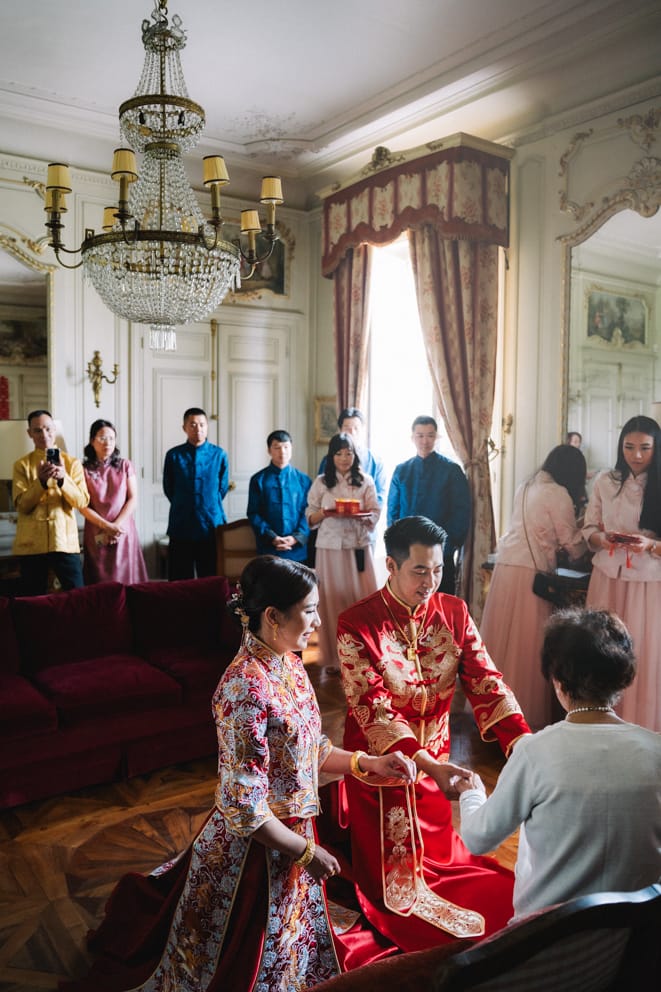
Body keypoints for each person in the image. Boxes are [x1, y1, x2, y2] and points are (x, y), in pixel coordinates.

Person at [59, 556, 416, 991]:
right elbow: (244, 808)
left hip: (292, 837)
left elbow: (309, 751)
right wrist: (306, 852)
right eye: (309, 610)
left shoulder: (289, 663)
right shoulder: (244, 686)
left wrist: (368, 763)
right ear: (272, 616)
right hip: (255, 853)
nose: (318, 621)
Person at [334, 515, 531, 953]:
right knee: (397, 891)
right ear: (391, 565)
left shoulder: (454, 612)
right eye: (419, 570)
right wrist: (429, 765)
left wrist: (523, 743)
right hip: (381, 771)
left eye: (438, 569)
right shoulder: (356, 623)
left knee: (452, 867)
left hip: (436, 772)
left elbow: (486, 682)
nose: (431, 581)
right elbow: (374, 710)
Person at [457, 608, 661, 921]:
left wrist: (472, 794)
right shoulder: (656, 750)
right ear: (623, 677)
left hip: (546, 943)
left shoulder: (534, 753)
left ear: (557, 679)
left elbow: (478, 838)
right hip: (637, 944)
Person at [479, 444, 588, 729]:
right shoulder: (558, 493)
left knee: (503, 643)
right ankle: (522, 714)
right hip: (531, 572)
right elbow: (571, 543)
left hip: (506, 566)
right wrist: (588, 538)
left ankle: (495, 712)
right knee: (527, 644)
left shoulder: (525, 486)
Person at [582, 414, 661, 731]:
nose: (637, 455)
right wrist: (603, 538)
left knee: (640, 651)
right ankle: (599, 724)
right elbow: (588, 528)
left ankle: (641, 724)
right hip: (607, 577)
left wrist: (651, 545)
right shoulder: (605, 481)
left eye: (645, 448)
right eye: (629, 447)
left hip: (648, 582)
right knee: (601, 648)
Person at [306, 432, 380, 668]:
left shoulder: (365, 480)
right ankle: (335, 659)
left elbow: (375, 514)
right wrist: (327, 512)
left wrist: (362, 516)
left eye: (348, 453)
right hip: (329, 548)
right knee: (331, 600)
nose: (344, 458)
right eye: (339, 453)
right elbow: (310, 518)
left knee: (360, 599)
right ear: (332, 456)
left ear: (355, 455)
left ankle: (363, 656)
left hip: (357, 546)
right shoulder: (321, 481)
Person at [387, 415, 470, 594]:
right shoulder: (401, 470)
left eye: (430, 435)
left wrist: (445, 547)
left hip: (440, 554)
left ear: (437, 437)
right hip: (407, 553)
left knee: (441, 605)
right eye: (420, 435)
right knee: (406, 604)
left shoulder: (451, 470)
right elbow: (393, 513)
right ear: (412, 438)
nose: (425, 441)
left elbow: (461, 513)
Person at [11, 409, 89, 596]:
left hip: (63, 541)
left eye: (48, 429)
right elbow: (22, 505)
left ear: (54, 430)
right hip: (31, 543)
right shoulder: (22, 465)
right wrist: (41, 483)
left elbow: (82, 501)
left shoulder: (72, 463)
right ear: (29, 433)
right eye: (37, 430)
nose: (44, 435)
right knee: (31, 599)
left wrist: (63, 479)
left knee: (77, 595)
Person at [162, 406, 229, 580]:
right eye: (192, 424)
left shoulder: (219, 454)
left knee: (210, 576)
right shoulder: (174, 455)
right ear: (184, 428)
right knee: (179, 577)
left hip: (210, 523)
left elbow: (222, 488)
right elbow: (169, 488)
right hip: (181, 523)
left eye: (201, 424)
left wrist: (206, 504)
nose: (197, 429)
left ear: (207, 426)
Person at [80, 419, 148, 584]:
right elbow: (82, 506)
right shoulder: (83, 469)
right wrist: (106, 526)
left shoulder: (125, 465)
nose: (107, 443)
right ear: (92, 440)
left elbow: (133, 498)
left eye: (111, 438)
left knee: (126, 579)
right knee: (98, 580)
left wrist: (115, 525)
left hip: (122, 529)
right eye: (102, 438)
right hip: (97, 530)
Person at [247, 429, 312, 561]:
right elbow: (254, 513)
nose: (282, 452)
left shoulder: (303, 480)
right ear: (269, 450)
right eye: (277, 447)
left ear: (291, 449)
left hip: (297, 548)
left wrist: (295, 538)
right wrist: (272, 537)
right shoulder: (258, 479)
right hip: (269, 547)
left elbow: (309, 511)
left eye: (286, 447)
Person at [318, 407, 387, 507]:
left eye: (356, 428)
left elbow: (380, 497)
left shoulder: (376, 461)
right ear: (340, 430)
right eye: (347, 428)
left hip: (364, 518)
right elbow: (320, 490)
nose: (352, 432)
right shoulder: (328, 459)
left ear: (363, 429)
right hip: (334, 516)